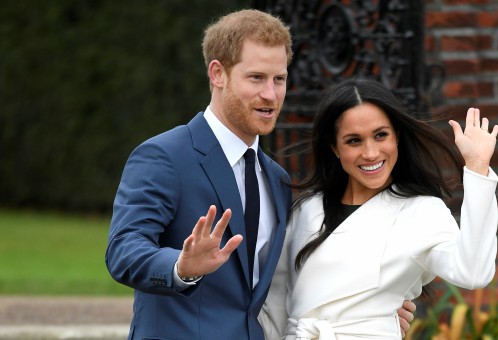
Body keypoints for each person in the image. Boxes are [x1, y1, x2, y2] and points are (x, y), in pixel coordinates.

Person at [106, 10, 414, 340]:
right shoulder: (165, 156)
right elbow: (124, 250)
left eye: (278, 79)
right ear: (217, 74)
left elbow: (281, 287)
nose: (270, 94)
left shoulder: (277, 179)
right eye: (256, 78)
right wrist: (180, 267)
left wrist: (367, 309)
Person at [259, 78, 498, 339]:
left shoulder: (421, 212)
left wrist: (477, 168)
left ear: (396, 135)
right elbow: (273, 304)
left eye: (380, 135)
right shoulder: (305, 210)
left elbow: (473, 272)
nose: (371, 153)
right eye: (354, 141)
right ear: (334, 148)